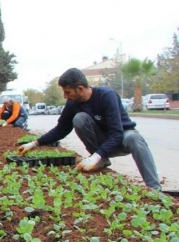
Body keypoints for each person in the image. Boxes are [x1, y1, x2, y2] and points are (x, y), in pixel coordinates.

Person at [18, 68, 161, 190]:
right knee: (79, 118)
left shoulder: (106, 96)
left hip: (121, 139)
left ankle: (154, 189)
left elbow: (117, 134)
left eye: (67, 92)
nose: (65, 96)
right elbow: (61, 129)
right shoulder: (72, 104)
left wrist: (95, 156)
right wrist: (34, 143)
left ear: (80, 88)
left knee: (134, 138)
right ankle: (102, 159)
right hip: (103, 143)